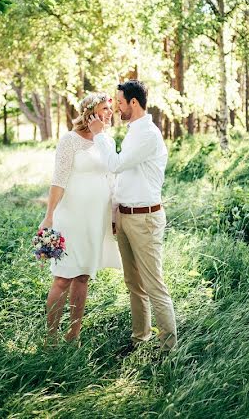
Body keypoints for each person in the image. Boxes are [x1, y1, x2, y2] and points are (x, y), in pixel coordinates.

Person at [89, 79, 177, 351]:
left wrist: (99, 133)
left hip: (145, 219)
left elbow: (115, 165)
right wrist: (117, 213)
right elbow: (124, 179)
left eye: (119, 101)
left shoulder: (148, 134)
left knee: (154, 286)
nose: (115, 106)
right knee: (134, 284)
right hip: (127, 218)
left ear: (134, 103)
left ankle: (168, 350)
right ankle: (140, 339)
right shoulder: (133, 131)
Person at [38, 93, 122, 343]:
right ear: (90, 113)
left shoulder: (106, 140)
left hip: (95, 219)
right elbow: (58, 180)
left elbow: (112, 180)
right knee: (63, 276)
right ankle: (51, 336)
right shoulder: (69, 141)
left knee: (83, 275)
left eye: (110, 108)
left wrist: (115, 215)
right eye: (104, 108)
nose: (110, 112)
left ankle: (73, 333)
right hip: (71, 218)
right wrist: (49, 216)